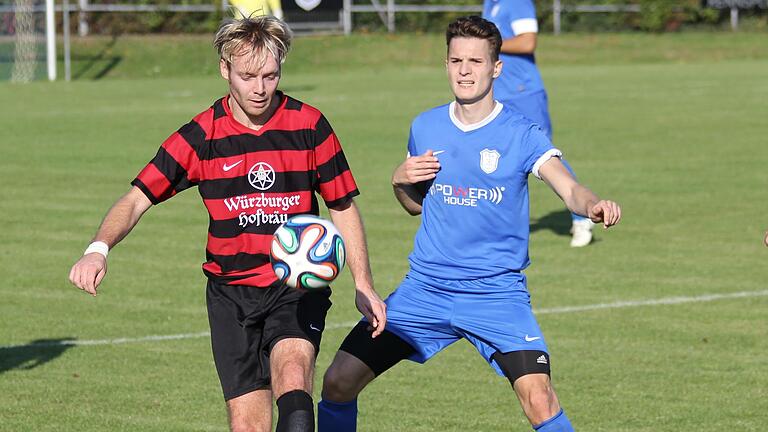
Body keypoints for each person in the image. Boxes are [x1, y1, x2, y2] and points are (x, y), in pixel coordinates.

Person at [68, 16, 386, 432]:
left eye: (270, 75)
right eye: (248, 76)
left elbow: (342, 205)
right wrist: (98, 249)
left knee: (294, 382)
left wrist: (363, 282)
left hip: (294, 284)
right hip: (230, 295)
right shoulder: (202, 135)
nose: (260, 88)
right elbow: (135, 199)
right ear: (225, 70)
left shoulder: (310, 126)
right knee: (248, 424)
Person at [317, 16, 621, 432]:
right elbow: (414, 206)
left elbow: (568, 189)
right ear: (446, 64)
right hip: (425, 291)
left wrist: (592, 205)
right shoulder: (425, 127)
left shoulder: (521, 133)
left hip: (496, 294)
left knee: (539, 398)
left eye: (476, 61)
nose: (464, 70)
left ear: (496, 67)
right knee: (338, 381)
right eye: (456, 60)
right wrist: (398, 180)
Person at [482, 0, 595, 247]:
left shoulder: (517, 2)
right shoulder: (490, 4)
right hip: (497, 94)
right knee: (493, 157)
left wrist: (487, 44)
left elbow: (527, 41)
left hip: (524, 94)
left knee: (545, 155)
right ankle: (493, 224)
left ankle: (582, 217)